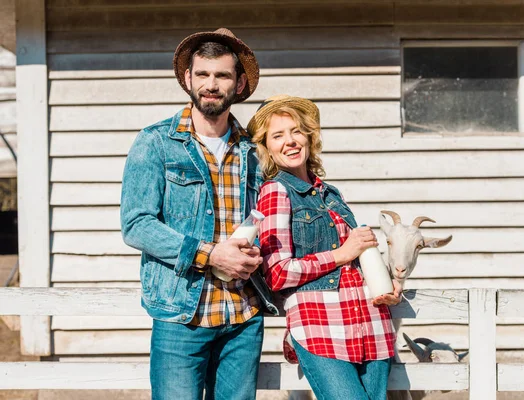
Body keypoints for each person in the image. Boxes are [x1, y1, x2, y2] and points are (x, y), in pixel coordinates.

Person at [120, 28, 276, 400]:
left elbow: (269, 218)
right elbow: (136, 225)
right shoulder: (155, 142)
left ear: (239, 84)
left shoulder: (255, 151)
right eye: (203, 74)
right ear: (188, 79)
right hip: (181, 316)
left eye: (222, 75)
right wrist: (209, 254)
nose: (211, 84)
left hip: (242, 317)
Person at [250, 95, 402, 400]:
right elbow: (277, 273)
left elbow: (356, 259)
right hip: (320, 327)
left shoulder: (331, 193)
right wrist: (341, 254)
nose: (290, 141)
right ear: (267, 146)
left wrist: (387, 281)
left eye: (295, 131)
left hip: (369, 324)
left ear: (308, 136)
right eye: (278, 135)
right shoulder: (275, 191)